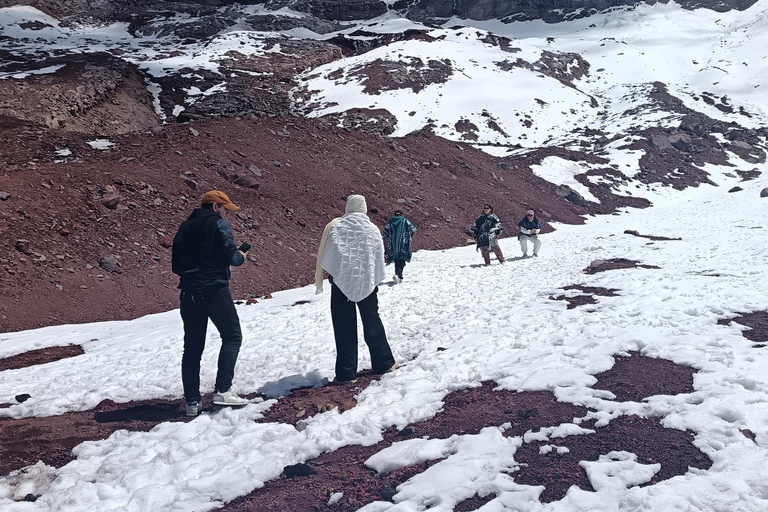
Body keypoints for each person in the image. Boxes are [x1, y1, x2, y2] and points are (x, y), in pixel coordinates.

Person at [172, 190, 249, 417]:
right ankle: (223, 391)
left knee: (193, 347)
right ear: (215, 206)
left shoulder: (184, 227)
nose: (226, 214)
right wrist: (241, 255)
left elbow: (176, 267)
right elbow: (233, 258)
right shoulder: (218, 225)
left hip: (188, 292)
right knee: (232, 336)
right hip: (214, 288)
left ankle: (192, 403)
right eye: (225, 209)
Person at [314, 194, 397, 384]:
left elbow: (329, 254)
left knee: (344, 327)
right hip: (367, 282)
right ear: (364, 208)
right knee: (372, 322)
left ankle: (345, 373)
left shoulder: (336, 228)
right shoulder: (372, 229)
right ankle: (384, 362)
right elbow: (378, 256)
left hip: (341, 284)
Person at [383, 210, 417, 283]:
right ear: (401, 214)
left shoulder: (390, 222)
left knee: (397, 260)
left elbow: (385, 233)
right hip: (403, 245)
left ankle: (398, 275)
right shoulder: (405, 221)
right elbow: (413, 229)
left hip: (393, 246)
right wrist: (408, 237)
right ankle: (399, 276)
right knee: (401, 260)